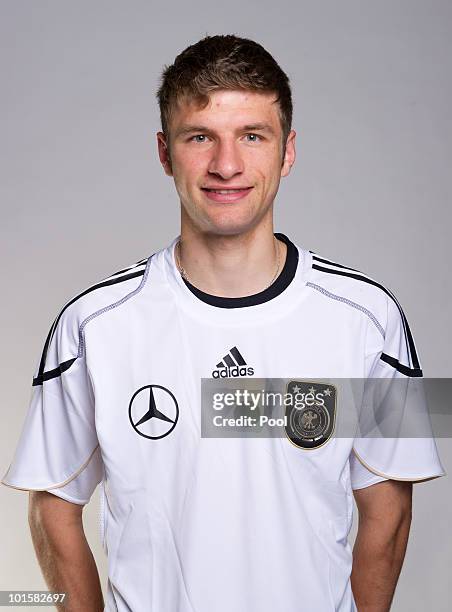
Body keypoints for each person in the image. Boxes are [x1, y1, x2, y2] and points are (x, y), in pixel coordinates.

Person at [2, 34, 445, 612]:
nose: (226, 165)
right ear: (164, 152)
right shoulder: (92, 326)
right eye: (200, 137)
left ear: (287, 152)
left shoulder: (370, 319)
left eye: (252, 136)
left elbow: (388, 512)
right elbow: (52, 504)